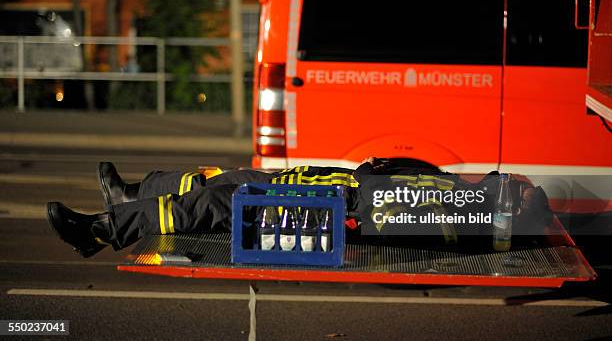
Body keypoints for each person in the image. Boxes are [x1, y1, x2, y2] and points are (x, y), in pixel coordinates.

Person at [47, 158, 551, 258]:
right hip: (334, 183)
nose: (510, 180)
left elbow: (381, 214)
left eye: (515, 187)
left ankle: (104, 229)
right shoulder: (451, 189)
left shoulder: (461, 210)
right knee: (222, 179)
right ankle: (134, 193)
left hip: (331, 204)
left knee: (216, 202)